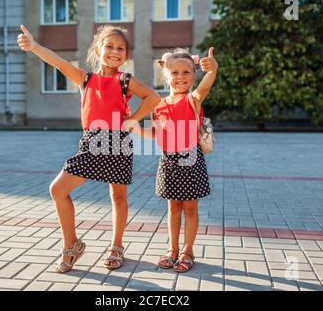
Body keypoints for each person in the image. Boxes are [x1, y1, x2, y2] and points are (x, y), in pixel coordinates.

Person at [17, 25, 161, 273]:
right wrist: (34, 46)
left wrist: (133, 120)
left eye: (121, 48)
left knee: (118, 195)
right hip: (91, 142)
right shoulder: (87, 78)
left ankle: (116, 246)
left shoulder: (125, 79)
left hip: (117, 141)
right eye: (109, 46)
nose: (115, 52)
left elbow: (153, 97)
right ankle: (71, 245)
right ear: (97, 49)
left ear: (126, 55)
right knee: (58, 189)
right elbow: (60, 63)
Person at [134, 47, 218, 272]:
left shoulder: (193, 100)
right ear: (166, 76)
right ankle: (172, 249)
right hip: (168, 161)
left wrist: (212, 71)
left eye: (186, 72)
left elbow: (205, 87)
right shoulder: (158, 106)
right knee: (173, 208)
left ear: (193, 75)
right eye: (175, 72)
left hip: (191, 159)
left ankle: (187, 251)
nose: (181, 77)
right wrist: (134, 127)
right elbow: (155, 133)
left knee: (190, 208)